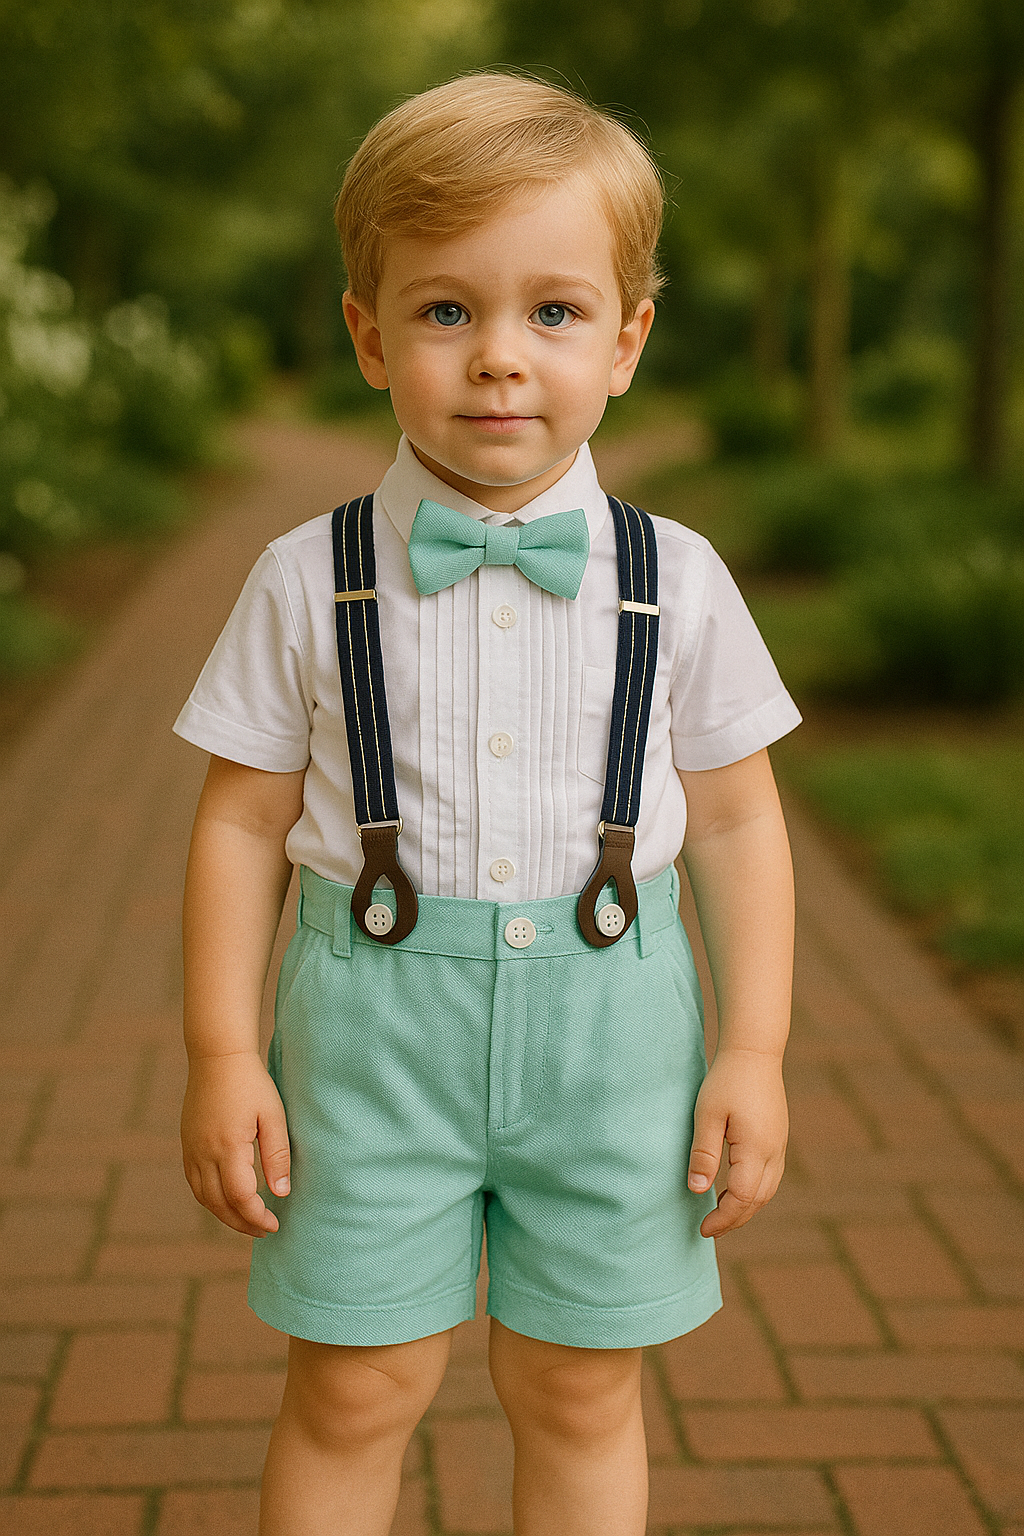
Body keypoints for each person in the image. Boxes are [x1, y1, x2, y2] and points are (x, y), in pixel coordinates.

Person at [175, 71, 800, 1536]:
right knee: (357, 1384)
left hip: (616, 1044)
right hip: (369, 1041)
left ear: (627, 342)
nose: (501, 358)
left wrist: (754, 1049)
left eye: (555, 312)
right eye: (447, 310)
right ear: (368, 337)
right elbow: (239, 824)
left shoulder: (679, 579)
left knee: (578, 1389)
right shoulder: (303, 579)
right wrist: (221, 1052)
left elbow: (735, 824)